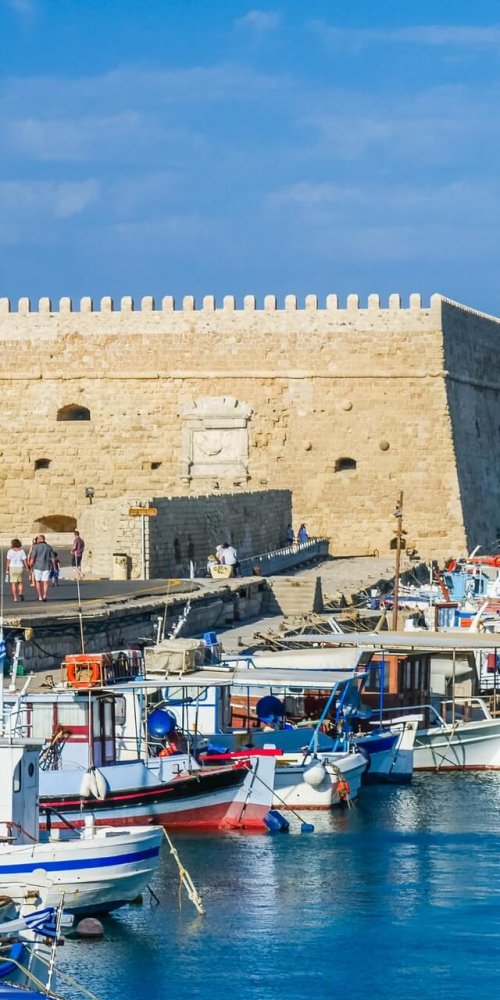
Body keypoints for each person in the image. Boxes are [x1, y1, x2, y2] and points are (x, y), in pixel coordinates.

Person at [30, 534, 56, 602]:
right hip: (46, 566)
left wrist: (30, 565)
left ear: (40, 539)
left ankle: (40, 596)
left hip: (38, 566)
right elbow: (53, 558)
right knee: (45, 582)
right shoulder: (49, 547)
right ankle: (45, 595)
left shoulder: (36, 547)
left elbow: (33, 557)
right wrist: (54, 567)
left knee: (38, 581)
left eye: (37, 539)